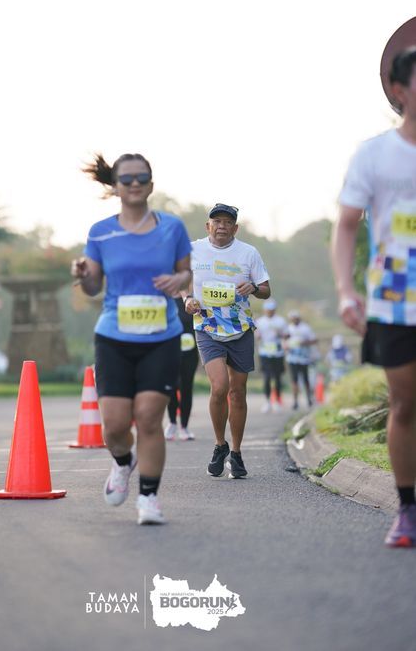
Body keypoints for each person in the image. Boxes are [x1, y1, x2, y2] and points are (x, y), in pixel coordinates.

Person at [72, 153, 191, 525]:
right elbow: (93, 286)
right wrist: (83, 275)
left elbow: (186, 273)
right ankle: (123, 462)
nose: (135, 183)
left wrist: (178, 280)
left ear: (151, 185)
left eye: (142, 177)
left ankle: (149, 499)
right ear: (115, 187)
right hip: (114, 338)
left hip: (162, 336)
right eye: (127, 179)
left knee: (150, 418)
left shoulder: (172, 228)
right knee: (115, 426)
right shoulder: (101, 232)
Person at [331, 46, 416, 548]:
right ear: (400, 91)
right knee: (405, 403)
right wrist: (346, 291)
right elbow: (346, 226)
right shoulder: (374, 155)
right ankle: (407, 509)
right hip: (395, 300)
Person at [184, 203, 270, 478]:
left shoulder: (248, 253)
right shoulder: (193, 249)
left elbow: (266, 290)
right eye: (217, 221)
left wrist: (253, 287)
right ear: (207, 226)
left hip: (240, 327)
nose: (222, 226)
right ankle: (219, 444)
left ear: (235, 228)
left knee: (238, 392)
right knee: (220, 386)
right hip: (207, 325)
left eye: (227, 222)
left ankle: (236, 452)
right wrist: (187, 298)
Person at [164, 296, 198, 441]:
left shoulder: (193, 300)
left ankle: (184, 426)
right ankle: (172, 422)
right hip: (170, 352)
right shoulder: (166, 300)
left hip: (189, 353)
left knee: (186, 388)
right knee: (171, 388)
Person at [285, 310, 318, 410]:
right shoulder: (288, 328)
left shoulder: (306, 328)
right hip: (292, 358)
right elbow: (284, 340)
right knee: (294, 380)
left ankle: (309, 399)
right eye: (292, 318)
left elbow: (314, 340)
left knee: (305, 380)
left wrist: (304, 343)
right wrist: (286, 345)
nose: (294, 320)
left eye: (295, 318)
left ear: (299, 318)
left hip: (304, 359)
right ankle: (295, 402)